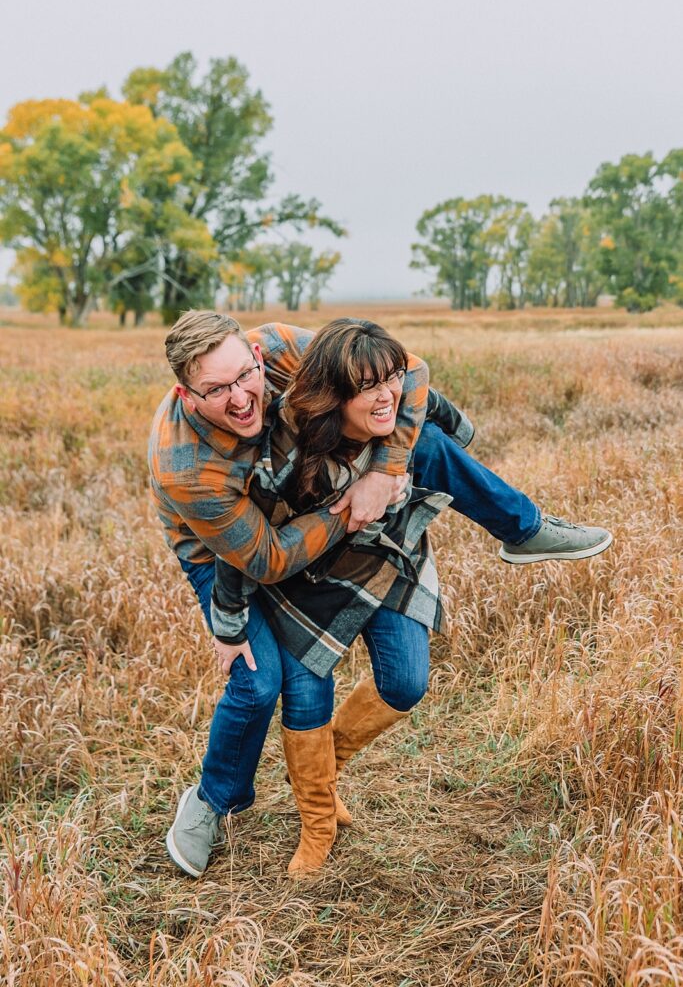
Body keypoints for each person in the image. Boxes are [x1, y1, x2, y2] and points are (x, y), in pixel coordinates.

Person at [148, 311, 611, 877]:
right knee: (258, 677)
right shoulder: (186, 466)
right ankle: (213, 803)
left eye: (245, 376)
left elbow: (404, 370)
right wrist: (234, 617)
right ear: (186, 393)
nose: (242, 397)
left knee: (406, 675)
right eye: (217, 390)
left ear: (257, 356)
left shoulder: (277, 349)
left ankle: (526, 529)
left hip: (323, 510)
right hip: (234, 551)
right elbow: (262, 558)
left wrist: (384, 470)